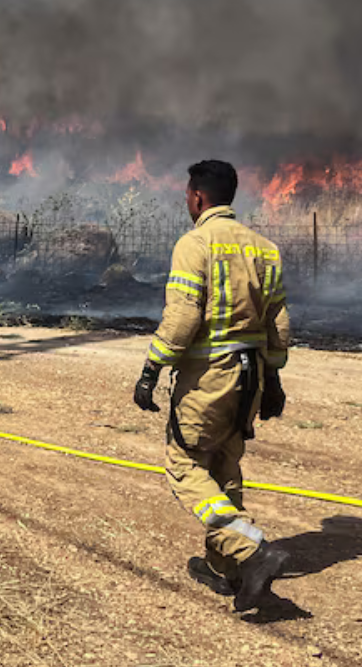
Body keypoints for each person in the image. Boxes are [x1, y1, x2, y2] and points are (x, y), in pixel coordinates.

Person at [132, 160, 292, 611]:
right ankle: (227, 569)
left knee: (184, 464)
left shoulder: (195, 243)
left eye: (187, 194)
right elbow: (279, 321)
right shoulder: (265, 249)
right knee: (225, 464)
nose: (186, 200)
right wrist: (273, 377)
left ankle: (252, 551)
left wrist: (152, 368)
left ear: (198, 197)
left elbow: (183, 316)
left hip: (209, 378)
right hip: (250, 377)